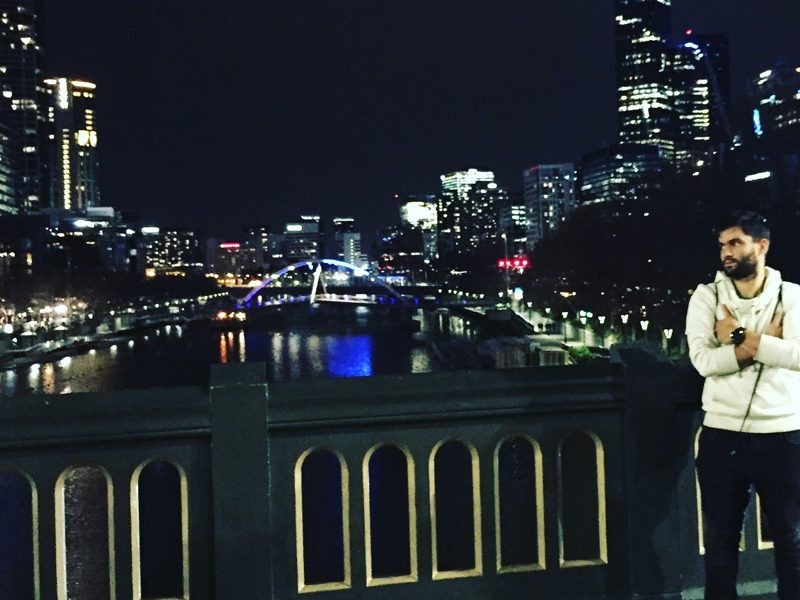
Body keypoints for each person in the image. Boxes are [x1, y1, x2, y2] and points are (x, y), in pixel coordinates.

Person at [686, 210, 800, 598]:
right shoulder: (706, 297)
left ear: (762, 245)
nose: (726, 253)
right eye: (722, 245)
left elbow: (799, 357)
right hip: (722, 436)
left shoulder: (794, 297)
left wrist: (737, 336)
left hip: (784, 434)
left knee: (792, 540)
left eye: (735, 243)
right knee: (719, 543)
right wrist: (765, 345)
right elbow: (703, 362)